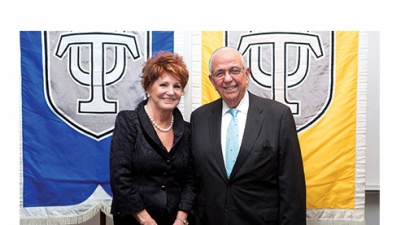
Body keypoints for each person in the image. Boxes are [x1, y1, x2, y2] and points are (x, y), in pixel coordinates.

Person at [190, 47, 306, 225]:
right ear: (212, 81)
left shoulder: (277, 115)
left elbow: (292, 188)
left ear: (247, 74)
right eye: (220, 73)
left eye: (234, 70)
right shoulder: (199, 118)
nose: (228, 79)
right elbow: (195, 180)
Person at [110, 51, 196, 225]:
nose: (171, 92)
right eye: (163, 84)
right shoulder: (128, 121)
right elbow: (120, 177)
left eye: (177, 86)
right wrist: (146, 220)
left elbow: (191, 180)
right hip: (134, 220)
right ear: (149, 87)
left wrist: (181, 218)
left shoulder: (187, 130)